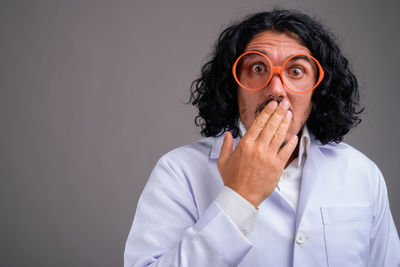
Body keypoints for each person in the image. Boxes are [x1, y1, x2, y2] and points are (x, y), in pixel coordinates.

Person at [124, 9, 400, 267]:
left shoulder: (362, 173)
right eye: (258, 69)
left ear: (318, 89)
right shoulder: (178, 171)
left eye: (296, 71)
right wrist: (240, 198)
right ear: (233, 86)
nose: (276, 89)